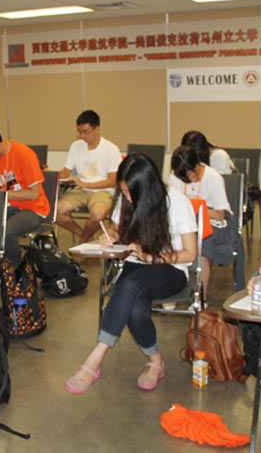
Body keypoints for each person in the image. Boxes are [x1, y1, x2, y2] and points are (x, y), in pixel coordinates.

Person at [64, 153, 197, 394]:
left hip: (171, 269)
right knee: (134, 308)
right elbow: (118, 229)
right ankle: (155, 361)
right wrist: (111, 237)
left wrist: (153, 257)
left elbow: (190, 253)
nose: (126, 197)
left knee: (129, 286)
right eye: (123, 192)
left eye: (130, 193)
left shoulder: (177, 203)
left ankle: (94, 360)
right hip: (137, 264)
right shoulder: (127, 200)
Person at [169, 145, 243, 299]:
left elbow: (220, 214)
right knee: (171, 236)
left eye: (189, 175)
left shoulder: (213, 178)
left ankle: (201, 298)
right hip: (187, 219)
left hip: (215, 220)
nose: (186, 180)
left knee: (203, 244)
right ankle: (172, 289)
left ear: (197, 167)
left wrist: (195, 207)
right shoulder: (175, 177)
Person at [0, 124, 49, 268]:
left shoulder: (24, 155)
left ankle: (14, 272)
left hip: (32, 209)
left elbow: (34, 193)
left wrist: (3, 195)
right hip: (5, 208)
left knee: (6, 233)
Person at [57, 110, 121, 243]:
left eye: (86, 132)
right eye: (79, 132)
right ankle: (86, 238)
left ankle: (83, 240)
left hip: (103, 191)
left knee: (97, 214)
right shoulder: (76, 146)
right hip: (81, 190)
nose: (82, 136)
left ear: (97, 129)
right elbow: (66, 172)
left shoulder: (111, 149)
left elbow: (112, 181)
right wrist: (50, 174)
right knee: (55, 212)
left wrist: (85, 184)